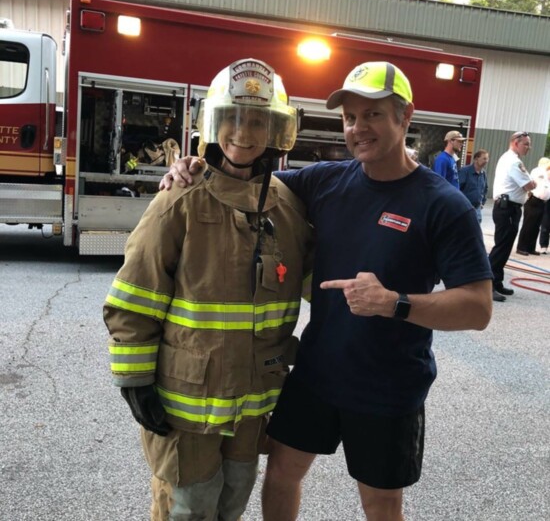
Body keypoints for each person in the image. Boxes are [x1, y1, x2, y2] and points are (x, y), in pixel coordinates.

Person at [162, 61, 493, 520]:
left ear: (405, 116)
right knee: (280, 474)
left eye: (373, 114)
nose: (359, 128)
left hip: (388, 387)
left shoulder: (443, 205)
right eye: (350, 117)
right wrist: (195, 164)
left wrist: (393, 303)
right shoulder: (326, 180)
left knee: (379, 503)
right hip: (317, 374)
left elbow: (477, 308)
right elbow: (247, 180)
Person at [103, 58, 313, 521]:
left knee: (233, 502)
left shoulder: (288, 208)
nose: (243, 132)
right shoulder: (179, 199)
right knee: (188, 509)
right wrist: (134, 380)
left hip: (252, 408)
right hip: (185, 405)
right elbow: (134, 298)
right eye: (232, 119)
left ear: (276, 131)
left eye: (257, 120)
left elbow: (320, 282)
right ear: (212, 125)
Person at [488, 131, 537, 302]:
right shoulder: (514, 162)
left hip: (509, 208)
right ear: (516, 143)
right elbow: (528, 185)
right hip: (507, 208)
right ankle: (488, 286)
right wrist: (532, 183)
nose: (528, 147)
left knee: (505, 247)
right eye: (526, 144)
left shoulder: (509, 159)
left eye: (529, 144)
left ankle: (497, 281)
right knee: (501, 247)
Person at [516, 156, 550, 255]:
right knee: (528, 225)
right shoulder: (538, 171)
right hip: (533, 200)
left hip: (542, 202)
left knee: (536, 226)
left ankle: (530, 247)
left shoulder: (546, 174)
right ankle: (521, 247)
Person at [458, 149, 489, 223]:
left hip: (477, 209)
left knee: (475, 232)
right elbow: (457, 188)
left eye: (487, 159)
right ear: (476, 159)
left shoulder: (483, 173)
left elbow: (485, 189)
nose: (486, 161)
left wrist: (482, 202)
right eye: (484, 158)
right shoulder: (465, 171)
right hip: (464, 208)